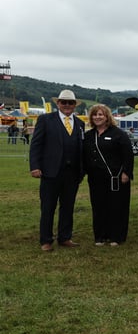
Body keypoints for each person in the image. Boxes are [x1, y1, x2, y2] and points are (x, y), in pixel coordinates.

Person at [29, 89, 85, 251]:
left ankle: (65, 237)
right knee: (48, 207)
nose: (67, 105)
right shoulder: (45, 120)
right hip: (50, 172)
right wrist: (35, 166)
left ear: (75, 105)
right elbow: (36, 145)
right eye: (64, 102)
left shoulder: (80, 124)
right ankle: (46, 240)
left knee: (68, 207)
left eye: (70, 103)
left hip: (72, 173)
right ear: (58, 103)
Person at [83, 104, 134, 246]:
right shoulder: (88, 136)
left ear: (107, 117)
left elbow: (128, 155)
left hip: (116, 177)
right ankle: (100, 236)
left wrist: (126, 173)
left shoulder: (119, 134)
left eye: (101, 115)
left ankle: (117, 236)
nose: (97, 117)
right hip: (95, 178)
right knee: (98, 206)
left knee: (117, 207)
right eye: (95, 114)